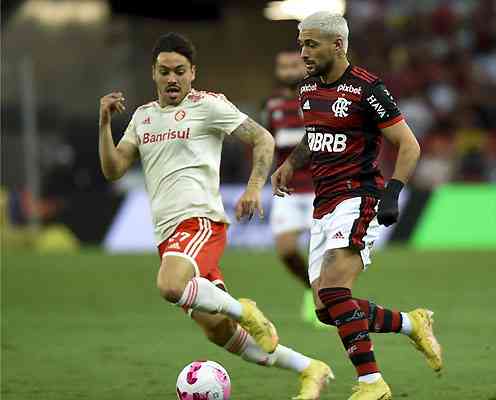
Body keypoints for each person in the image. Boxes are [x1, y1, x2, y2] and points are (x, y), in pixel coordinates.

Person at [98, 32, 332, 400]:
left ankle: (246, 310)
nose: (172, 78)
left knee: (170, 286)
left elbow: (263, 139)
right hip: (169, 238)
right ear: (154, 74)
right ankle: (310, 370)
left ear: (193, 73)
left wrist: (255, 187)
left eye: (179, 71)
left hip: (200, 223)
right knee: (220, 332)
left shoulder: (209, 106)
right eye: (164, 71)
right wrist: (103, 124)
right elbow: (113, 169)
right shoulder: (142, 118)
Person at [271, 12, 443, 400]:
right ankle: (411, 324)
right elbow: (315, 134)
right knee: (325, 308)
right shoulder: (307, 89)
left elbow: (409, 144)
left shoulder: (368, 89)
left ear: (338, 44)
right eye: (301, 44)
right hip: (324, 202)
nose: (304, 52)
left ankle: (372, 383)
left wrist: (393, 191)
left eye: (311, 44)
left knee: (333, 291)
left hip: (359, 197)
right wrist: (291, 164)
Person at [262, 50, 319, 327]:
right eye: (282, 66)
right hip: (288, 190)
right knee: (285, 251)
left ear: (305, 67)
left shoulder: (319, 98)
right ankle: (311, 288)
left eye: (292, 65)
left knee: (325, 254)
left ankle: (324, 302)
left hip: (321, 187)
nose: (287, 70)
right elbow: (267, 144)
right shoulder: (272, 105)